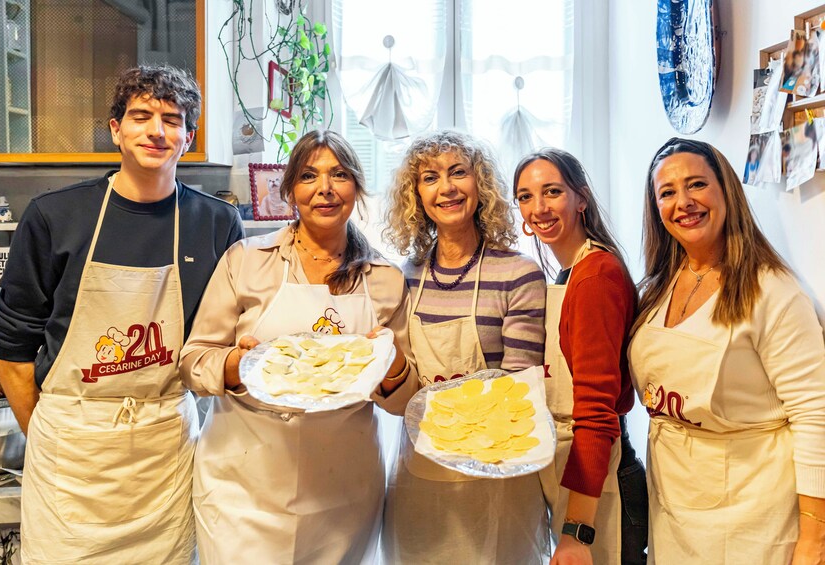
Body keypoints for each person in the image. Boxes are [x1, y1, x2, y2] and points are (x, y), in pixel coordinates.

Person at [0, 65, 243, 563]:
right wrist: (51, 435)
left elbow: (227, 338)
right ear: (115, 129)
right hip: (71, 453)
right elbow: (12, 351)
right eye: (141, 116)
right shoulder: (54, 216)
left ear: (189, 137)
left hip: (165, 450)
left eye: (172, 120)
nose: (156, 131)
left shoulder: (216, 223)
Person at [179, 129, 417, 564]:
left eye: (339, 175)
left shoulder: (384, 278)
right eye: (309, 176)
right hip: (244, 483)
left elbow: (405, 402)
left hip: (342, 489)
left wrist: (392, 364)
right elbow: (193, 361)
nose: (325, 188)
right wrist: (236, 364)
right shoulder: (246, 260)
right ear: (289, 189)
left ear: (357, 187)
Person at [629, 137, 825, 562]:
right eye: (667, 192)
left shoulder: (772, 291)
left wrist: (814, 538)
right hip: (673, 505)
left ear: (726, 191)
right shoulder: (658, 287)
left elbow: (815, 413)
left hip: (753, 514)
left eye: (697, 184)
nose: (684, 202)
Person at [381, 130, 548, 563]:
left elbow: (519, 389)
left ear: (481, 183)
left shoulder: (519, 274)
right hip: (420, 471)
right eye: (430, 178)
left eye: (459, 172)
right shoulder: (404, 277)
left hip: (500, 471)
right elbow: (402, 393)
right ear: (416, 195)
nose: (447, 188)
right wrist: (385, 367)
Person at [514, 148, 647, 564]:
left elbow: (596, 411)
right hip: (572, 468)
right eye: (525, 196)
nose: (539, 208)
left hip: (600, 475)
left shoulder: (595, 276)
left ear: (581, 199)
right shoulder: (567, 272)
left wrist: (576, 532)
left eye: (552, 192)